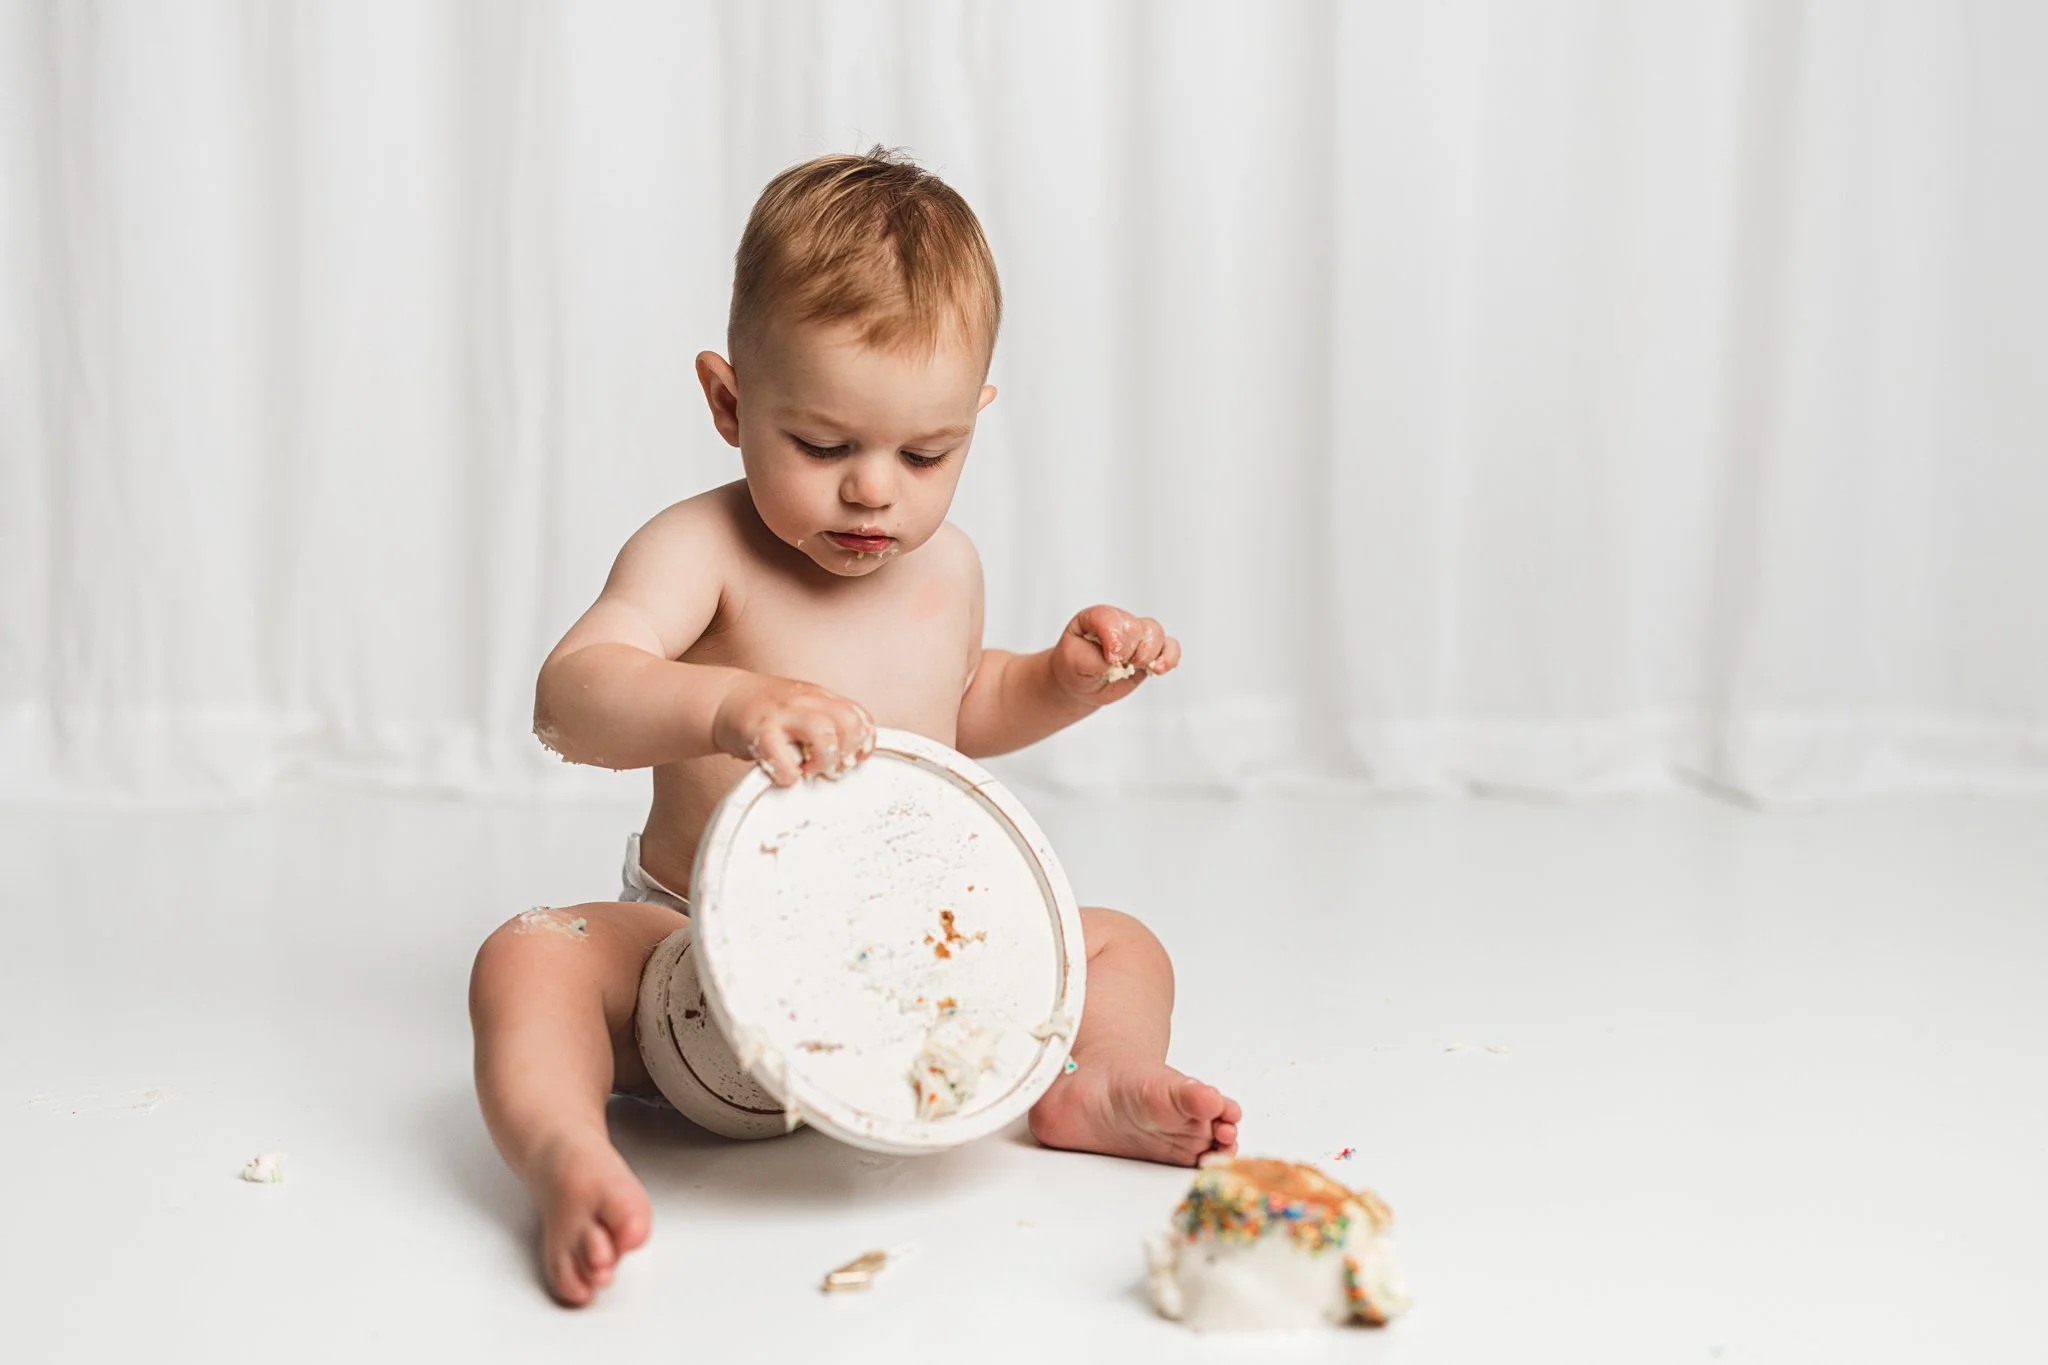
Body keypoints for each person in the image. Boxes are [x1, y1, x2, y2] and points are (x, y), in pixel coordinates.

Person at [469, 147, 1242, 1306]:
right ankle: (563, 1152)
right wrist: (726, 702)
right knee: (531, 956)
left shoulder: (948, 567)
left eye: (925, 453)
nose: (874, 489)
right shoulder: (700, 551)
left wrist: (1056, 682)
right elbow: (570, 695)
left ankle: (1094, 1080)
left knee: (1118, 942)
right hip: (702, 967)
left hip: (917, 981)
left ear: (974, 418)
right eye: (822, 446)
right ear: (730, 404)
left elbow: (954, 717)